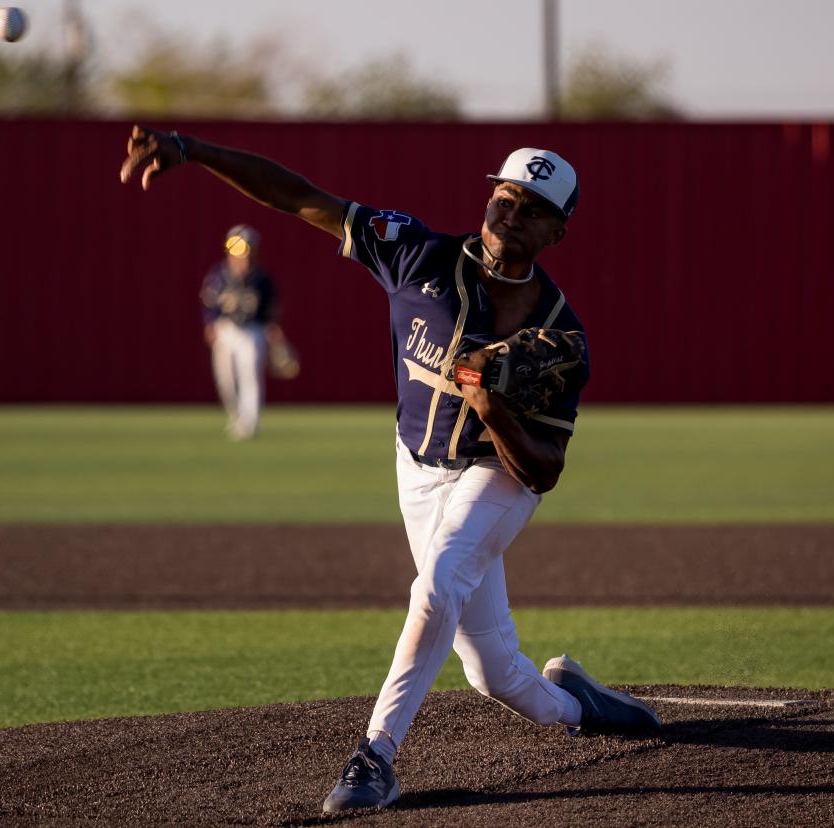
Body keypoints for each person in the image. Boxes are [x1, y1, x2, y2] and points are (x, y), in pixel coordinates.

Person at [119, 127, 662, 813]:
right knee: (493, 674)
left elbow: (545, 469)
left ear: (558, 230)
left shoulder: (562, 334)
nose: (512, 214)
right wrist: (193, 150)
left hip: (499, 475)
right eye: (505, 197)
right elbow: (299, 198)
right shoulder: (418, 254)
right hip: (415, 467)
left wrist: (493, 408)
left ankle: (374, 755)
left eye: (532, 208)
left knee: (436, 585)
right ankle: (582, 707)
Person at [200, 224, 281, 441]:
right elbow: (209, 303)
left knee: (251, 376)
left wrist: (273, 329)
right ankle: (236, 417)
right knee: (225, 379)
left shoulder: (261, 279)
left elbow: (270, 309)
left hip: (253, 329)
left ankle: (249, 423)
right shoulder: (219, 275)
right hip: (225, 329)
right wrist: (210, 324)